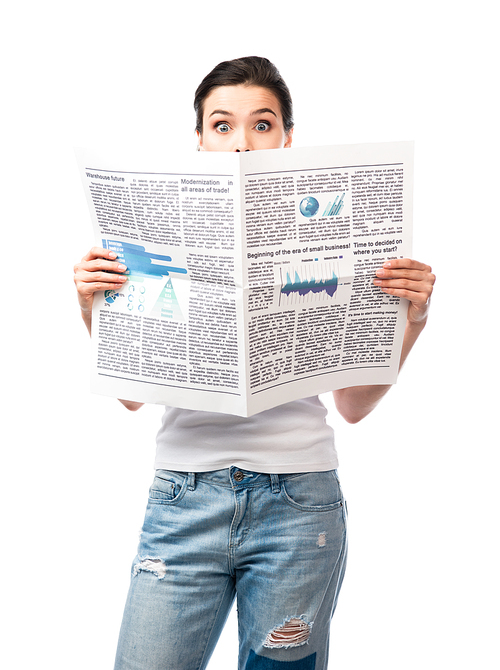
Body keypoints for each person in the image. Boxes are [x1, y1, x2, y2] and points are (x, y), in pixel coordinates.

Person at [74, 56, 435, 670]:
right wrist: (94, 309)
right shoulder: (156, 230)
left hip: (299, 502)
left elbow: (352, 407)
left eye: (262, 124)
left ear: (287, 137)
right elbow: (134, 397)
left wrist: (413, 322)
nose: (241, 141)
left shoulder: (329, 232)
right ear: (198, 138)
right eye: (222, 125)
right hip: (182, 500)